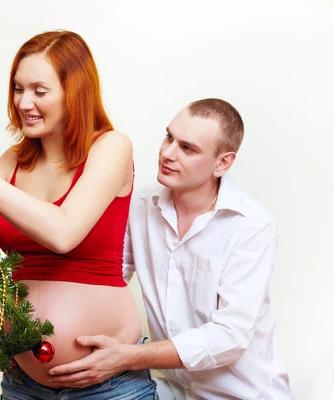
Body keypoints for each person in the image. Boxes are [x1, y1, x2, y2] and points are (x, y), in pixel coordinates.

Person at [0, 31, 157, 399]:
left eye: (40, 91)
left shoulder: (110, 147)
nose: (24, 102)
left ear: (75, 93)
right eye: (18, 88)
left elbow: (63, 232)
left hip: (110, 386)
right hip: (24, 385)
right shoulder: (13, 161)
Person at [47, 98, 292, 399]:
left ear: (222, 163)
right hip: (171, 389)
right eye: (169, 137)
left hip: (241, 394)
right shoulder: (139, 207)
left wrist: (127, 356)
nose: (167, 153)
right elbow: (107, 278)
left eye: (187, 148)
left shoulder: (252, 226)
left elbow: (229, 337)